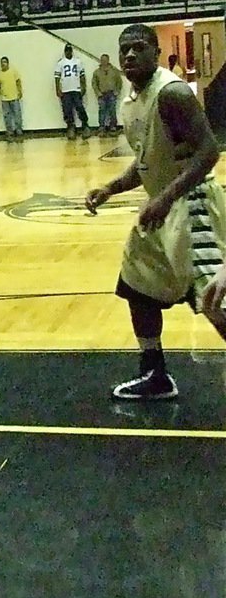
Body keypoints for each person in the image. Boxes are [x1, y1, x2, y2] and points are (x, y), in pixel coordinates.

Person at [84, 24, 226, 399]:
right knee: (136, 286)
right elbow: (147, 162)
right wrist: (110, 188)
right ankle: (155, 375)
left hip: (192, 205)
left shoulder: (173, 93)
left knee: (216, 300)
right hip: (162, 209)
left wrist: (163, 198)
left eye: (138, 48)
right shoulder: (132, 98)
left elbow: (208, 152)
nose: (129, 56)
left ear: (156, 52)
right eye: (124, 50)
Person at [54, 43, 90, 140]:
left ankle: (85, 125)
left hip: (76, 89)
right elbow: (57, 77)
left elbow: (82, 75)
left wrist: (83, 86)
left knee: (79, 107)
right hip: (66, 90)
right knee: (67, 109)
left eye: (70, 51)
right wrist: (58, 89)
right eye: (67, 51)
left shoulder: (78, 61)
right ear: (65, 51)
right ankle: (70, 126)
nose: (68, 52)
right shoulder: (60, 63)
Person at [91, 52, 123, 137]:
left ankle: (113, 126)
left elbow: (119, 82)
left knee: (112, 110)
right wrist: (98, 93)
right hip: (102, 94)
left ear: (108, 60)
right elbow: (94, 83)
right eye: (102, 60)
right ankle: (101, 127)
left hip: (111, 93)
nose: (103, 61)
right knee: (102, 111)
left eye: (105, 60)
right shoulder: (97, 72)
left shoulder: (114, 70)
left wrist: (117, 91)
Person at [0, 55, 23, 141]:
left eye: (4, 62)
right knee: (7, 116)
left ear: (8, 63)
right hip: (4, 99)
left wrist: (20, 91)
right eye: (1, 62)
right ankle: (9, 132)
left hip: (14, 97)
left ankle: (19, 131)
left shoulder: (13, 71)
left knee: (17, 114)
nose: (3, 64)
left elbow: (18, 81)